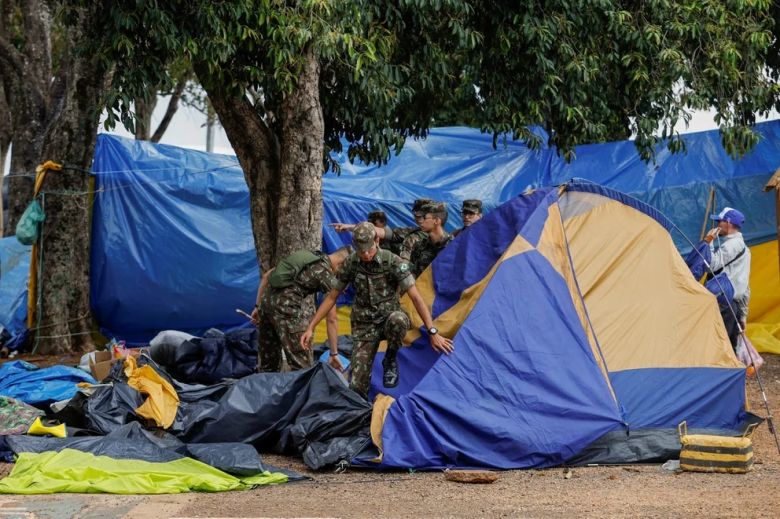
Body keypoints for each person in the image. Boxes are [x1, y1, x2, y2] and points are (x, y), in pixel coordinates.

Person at [300, 222, 453, 397]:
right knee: (356, 385)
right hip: (364, 325)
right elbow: (332, 297)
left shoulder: (393, 262)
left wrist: (432, 331)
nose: (365, 255)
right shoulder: (352, 262)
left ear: (377, 241)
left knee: (399, 320)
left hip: (388, 319)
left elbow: (416, 297)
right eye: (361, 250)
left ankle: (390, 357)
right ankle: (359, 416)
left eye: (369, 249)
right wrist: (311, 327)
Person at [251, 247, 351, 372]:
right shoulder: (325, 274)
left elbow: (266, 276)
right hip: (285, 311)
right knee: (302, 367)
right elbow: (332, 319)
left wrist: (257, 307)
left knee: (267, 364)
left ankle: (265, 389)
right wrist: (334, 353)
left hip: (265, 305)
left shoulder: (307, 256)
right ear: (341, 265)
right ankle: (302, 391)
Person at [704, 207, 751, 350]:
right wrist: (742, 314)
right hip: (734, 306)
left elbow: (711, 265)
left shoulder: (730, 246)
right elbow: (746, 287)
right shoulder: (745, 248)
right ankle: (734, 372)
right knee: (730, 347)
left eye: (720, 221)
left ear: (729, 223)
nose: (718, 224)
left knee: (718, 346)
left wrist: (709, 242)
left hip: (723, 303)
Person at [409, 202, 453, 277]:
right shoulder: (419, 246)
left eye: (424, 217)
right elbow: (412, 272)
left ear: (436, 221)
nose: (420, 221)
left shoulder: (453, 247)